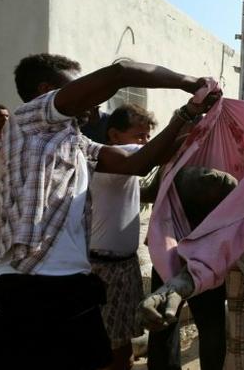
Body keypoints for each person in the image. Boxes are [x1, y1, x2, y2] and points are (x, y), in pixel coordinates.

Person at [0, 53, 220, 370]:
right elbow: (119, 73)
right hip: (25, 281)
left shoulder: (76, 143)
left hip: (74, 284)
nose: (88, 95)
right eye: (76, 85)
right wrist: (189, 83)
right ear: (45, 91)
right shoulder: (28, 119)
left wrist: (188, 114)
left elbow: (138, 163)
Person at [88, 103, 158, 370]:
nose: (145, 143)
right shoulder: (111, 161)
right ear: (115, 136)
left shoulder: (125, 168)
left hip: (123, 265)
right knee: (110, 345)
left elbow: (145, 192)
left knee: (122, 342)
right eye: (139, 136)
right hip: (105, 268)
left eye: (148, 137)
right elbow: (153, 155)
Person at [146, 166, 237, 370]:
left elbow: (155, 194)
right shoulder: (210, 153)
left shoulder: (180, 154)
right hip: (197, 251)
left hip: (181, 249)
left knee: (167, 324)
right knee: (207, 325)